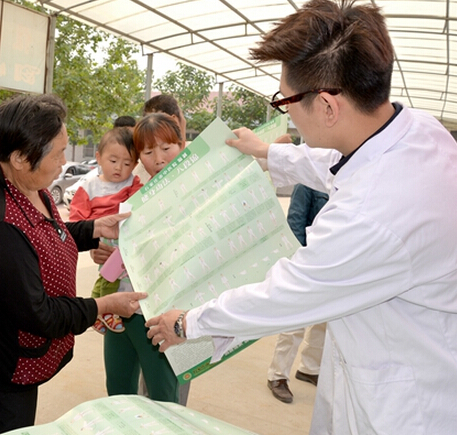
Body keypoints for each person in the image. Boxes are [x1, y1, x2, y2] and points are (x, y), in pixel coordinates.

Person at [146, 1, 457, 433]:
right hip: (390, 350)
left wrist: (190, 321)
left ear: (328, 106)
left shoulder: (370, 215)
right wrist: (268, 152)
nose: (285, 110)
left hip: (400, 405)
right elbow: (338, 163)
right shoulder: (416, 132)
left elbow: (288, 293)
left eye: (285, 100)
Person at [0, 94, 146, 434]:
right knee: (11, 425)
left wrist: (94, 229)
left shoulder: (31, 185)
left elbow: (50, 235)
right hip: (8, 368)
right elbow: (40, 314)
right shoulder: (0, 225)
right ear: (19, 157)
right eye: (58, 153)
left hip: (31, 353)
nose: (65, 161)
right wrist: (103, 305)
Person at [101, 113, 185, 404]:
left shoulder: (195, 193)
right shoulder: (133, 195)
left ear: (182, 145)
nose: (158, 158)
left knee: (164, 398)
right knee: (118, 393)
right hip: (122, 310)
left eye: (166, 148)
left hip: (162, 315)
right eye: (148, 152)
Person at [70, 127, 143, 334]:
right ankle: (107, 310)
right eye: (113, 161)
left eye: (127, 163)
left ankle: (98, 308)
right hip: (103, 240)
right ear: (98, 158)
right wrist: (92, 239)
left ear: (135, 165)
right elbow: (77, 220)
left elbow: (141, 202)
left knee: (110, 276)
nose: (119, 168)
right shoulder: (89, 186)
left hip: (126, 237)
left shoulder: (133, 183)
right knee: (111, 274)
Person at [267, 184, 328, 403]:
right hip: (307, 264)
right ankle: (278, 375)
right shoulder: (308, 183)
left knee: (325, 322)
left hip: (333, 265)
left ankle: (310, 368)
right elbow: (295, 223)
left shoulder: (351, 178)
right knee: (294, 323)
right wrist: (298, 266)